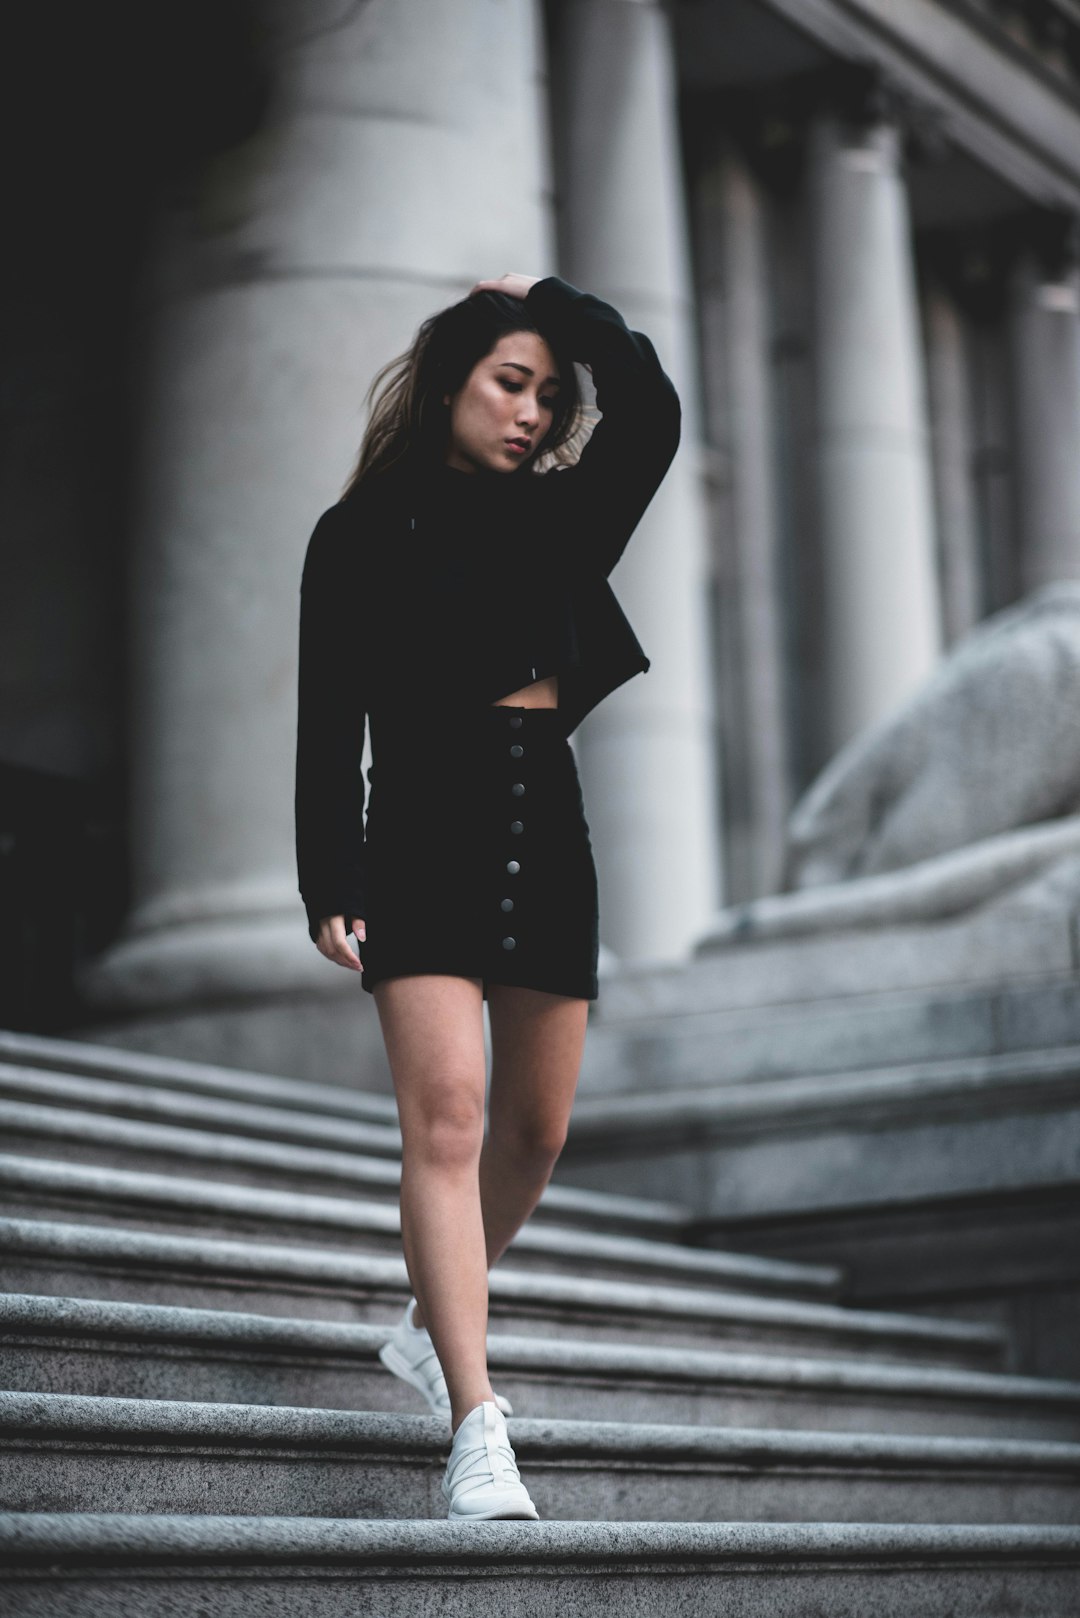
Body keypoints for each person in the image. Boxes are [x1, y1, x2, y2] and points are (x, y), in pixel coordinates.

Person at [294, 270, 680, 1519]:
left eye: (548, 397)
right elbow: (324, 728)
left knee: (534, 1134)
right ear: (451, 378)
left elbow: (655, 411)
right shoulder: (355, 534)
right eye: (511, 383)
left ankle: (427, 1318)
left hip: (541, 821)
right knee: (447, 1125)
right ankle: (475, 1423)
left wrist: (561, 306)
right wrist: (330, 877)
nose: (530, 413)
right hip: (420, 823)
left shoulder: (561, 517)